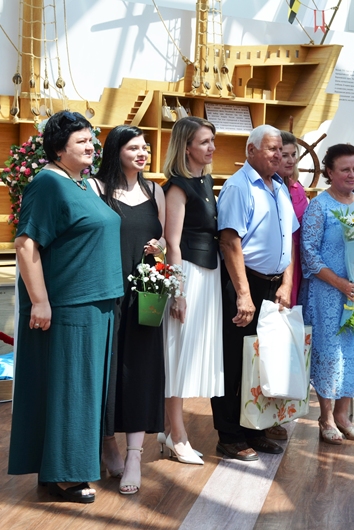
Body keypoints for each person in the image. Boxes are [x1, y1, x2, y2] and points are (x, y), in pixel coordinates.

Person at [8, 110, 123, 503]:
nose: (91, 146)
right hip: (71, 306)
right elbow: (26, 245)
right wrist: (40, 301)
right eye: (82, 141)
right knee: (73, 391)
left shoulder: (83, 183)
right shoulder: (47, 184)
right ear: (59, 148)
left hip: (97, 305)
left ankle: (59, 467)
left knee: (84, 392)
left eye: (92, 140)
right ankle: (65, 475)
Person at [213, 124, 297, 461]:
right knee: (234, 362)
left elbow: (288, 238)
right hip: (246, 282)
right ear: (251, 151)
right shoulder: (238, 187)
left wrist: (287, 283)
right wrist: (243, 294)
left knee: (262, 362)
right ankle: (229, 436)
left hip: (273, 285)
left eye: (281, 150)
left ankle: (253, 428)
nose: (279, 155)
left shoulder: (279, 186)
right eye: (272, 149)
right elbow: (229, 242)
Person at [89, 125, 166, 495]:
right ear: (115, 150)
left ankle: (135, 456)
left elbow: (167, 241)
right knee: (107, 371)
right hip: (107, 292)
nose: (142, 152)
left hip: (146, 293)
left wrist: (160, 249)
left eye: (145, 146)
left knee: (141, 372)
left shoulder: (155, 190)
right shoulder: (96, 188)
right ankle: (108, 444)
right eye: (133, 147)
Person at [301, 143, 354, 445]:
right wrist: (338, 282)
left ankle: (343, 415)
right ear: (329, 172)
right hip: (327, 293)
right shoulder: (319, 206)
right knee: (331, 352)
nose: (352, 174)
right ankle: (325, 417)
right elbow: (309, 253)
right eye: (345, 169)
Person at [161, 117, 225, 465]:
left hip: (207, 273)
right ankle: (177, 435)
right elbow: (172, 243)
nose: (211, 147)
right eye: (204, 142)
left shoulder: (206, 180)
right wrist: (179, 292)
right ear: (186, 147)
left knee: (188, 354)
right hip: (187, 274)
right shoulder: (178, 186)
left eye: (212, 140)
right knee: (178, 355)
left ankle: (169, 431)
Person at [278, 130, 308, 307]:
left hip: (297, 261)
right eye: (285, 155)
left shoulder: (298, 188)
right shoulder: (268, 187)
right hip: (278, 263)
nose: (291, 160)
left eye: (293, 154)